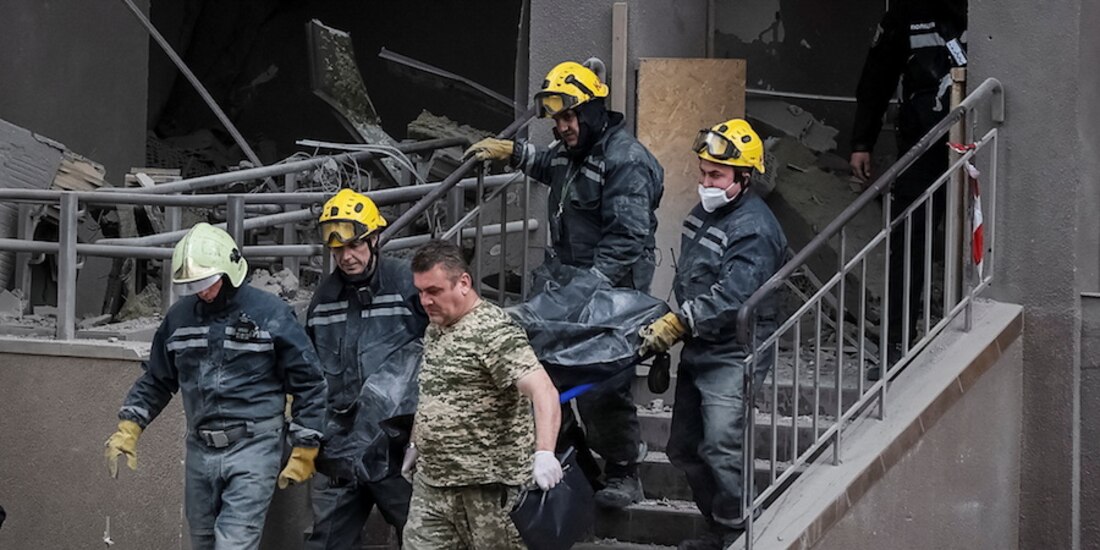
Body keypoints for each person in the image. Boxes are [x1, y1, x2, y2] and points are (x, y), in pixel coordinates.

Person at [466, 60, 664, 508]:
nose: (562, 127)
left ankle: (623, 473)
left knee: (601, 383)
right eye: (556, 120)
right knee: (545, 375)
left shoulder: (625, 160)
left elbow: (627, 240)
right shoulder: (572, 150)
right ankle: (572, 460)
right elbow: (549, 165)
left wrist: (586, 290)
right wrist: (512, 152)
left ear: (593, 111)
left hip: (613, 287)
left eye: (569, 117)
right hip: (569, 280)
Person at [103, 223, 327, 550]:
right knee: (203, 543)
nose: (202, 291)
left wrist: (305, 445)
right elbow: (157, 378)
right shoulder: (179, 320)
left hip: (254, 445)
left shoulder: (270, 314)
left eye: (207, 283)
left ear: (230, 271)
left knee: (234, 544)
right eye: (193, 285)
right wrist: (129, 426)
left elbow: (308, 379)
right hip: (201, 448)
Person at [639, 119, 787, 550]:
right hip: (702, 343)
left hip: (735, 348)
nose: (705, 182)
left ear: (744, 177)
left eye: (716, 175)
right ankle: (720, 528)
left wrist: (677, 323)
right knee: (684, 449)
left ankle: (738, 532)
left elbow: (733, 295)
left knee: (721, 444)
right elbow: (692, 277)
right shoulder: (705, 212)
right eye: (703, 172)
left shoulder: (754, 228)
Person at [400, 240, 563, 550]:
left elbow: (543, 390)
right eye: (420, 291)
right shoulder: (435, 328)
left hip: (487, 489)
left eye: (433, 291)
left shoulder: (493, 331)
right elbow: (434, 392)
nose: (425, 301)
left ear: (463, 283)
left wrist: (544, 452)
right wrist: (415, 442)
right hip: (434, 485)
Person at [305, 189, 429, 548]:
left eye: (355, 246)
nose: (346, 257)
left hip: (399, 446)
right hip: (340, 450)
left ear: (374, 239)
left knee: (423, 539)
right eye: (338, 250)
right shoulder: (324, 300)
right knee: (326, 543)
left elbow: (444, 352)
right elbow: (310, 375)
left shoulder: (409, 284)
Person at [849, 0, 967, 367]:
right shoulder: (909, 10)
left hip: (979, 141)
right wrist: (861, 141)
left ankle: (967, 335)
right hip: (923, 147)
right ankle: (897, 346)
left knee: (979, 238)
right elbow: (877, 75)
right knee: (908, 240)